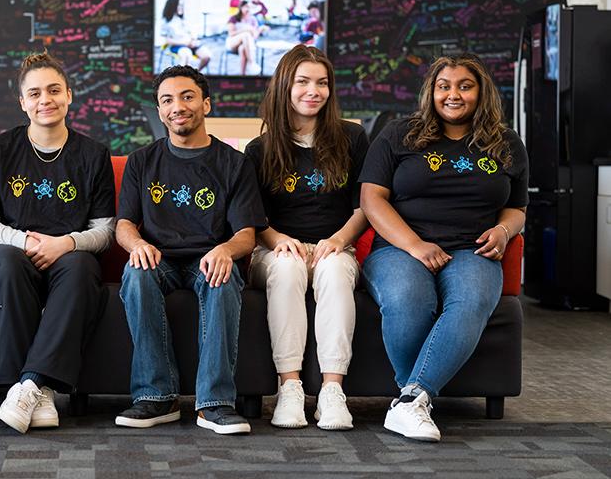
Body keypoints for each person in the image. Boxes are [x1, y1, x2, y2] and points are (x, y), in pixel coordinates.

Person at [359, 53, 528, 442]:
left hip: (473, 249)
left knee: (472, 300)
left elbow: (516, 208)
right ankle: (414, 399)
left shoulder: (506, 143)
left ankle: (410, 399)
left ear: (481, 92)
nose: (453, 94)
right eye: (443, 86)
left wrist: (504, 231)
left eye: (465, 86)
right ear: (430, 91)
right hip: (399, 247)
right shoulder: (400, 134)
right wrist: (415, 246)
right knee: (409, 298)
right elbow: (371, 199)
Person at [114, 65, 267, 435]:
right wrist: (138, 244)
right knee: (135, 273)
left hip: (209, 258)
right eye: (167, 100)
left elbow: (247, 234)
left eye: (187, 97)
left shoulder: (234, 163)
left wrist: (226, 250)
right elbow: (124, 225)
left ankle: (214, 404)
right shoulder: (141, 161)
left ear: (206, 104)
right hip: (159, 258)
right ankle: (157, 397)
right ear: (160, 110)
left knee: (223, 277)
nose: (177, 107)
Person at [0, 51, 116, 434]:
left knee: (82, 267)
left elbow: (105, 230)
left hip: (69, 253)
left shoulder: (94, 154)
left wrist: (65, 243)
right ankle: (25, 387)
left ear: (69, 95)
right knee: (7, 262)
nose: (45, 100)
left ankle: (32, 385)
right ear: (23, 102)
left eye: (54, 90)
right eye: (34, 93)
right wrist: (24, 242)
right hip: (10, 250)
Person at [245, 45, 369, 430]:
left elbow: (366, 205)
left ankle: (332, 390)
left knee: (334, 270)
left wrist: (339, 239)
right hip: (276, 251)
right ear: (285, 86)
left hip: (336, 247)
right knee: (287, 267)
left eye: (322, 83)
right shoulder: (260, 148)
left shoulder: (352, 137)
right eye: (302, 82)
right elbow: (253, 218)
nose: (313, 91)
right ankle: (290, 388)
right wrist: (277, 239)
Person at [159, 0, 211, 70]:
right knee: (187, 55)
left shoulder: (184, 19)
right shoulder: (166, 22)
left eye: (182, 5)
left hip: (191, 44)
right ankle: (182, 74)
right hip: (178, 46)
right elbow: (167, 40)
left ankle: (196, 73)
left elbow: (193, 32)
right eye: (179, 5)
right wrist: (184, 43)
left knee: (206, 56)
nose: (181, 7)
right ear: (172, 6)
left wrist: (193, 40)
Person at [226, 1, 268, 75]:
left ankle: (242, 75)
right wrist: (244, 30)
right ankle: (252, 62)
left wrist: (260, 29)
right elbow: (231, 34)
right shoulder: (234, 18)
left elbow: (255, 36)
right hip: (233, 42)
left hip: (246, 45)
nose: (247, 9)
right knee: (246, 35)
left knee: (242, 49)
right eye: (245, 6)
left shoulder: (253, 19)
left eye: (249, 7)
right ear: (240, 7)